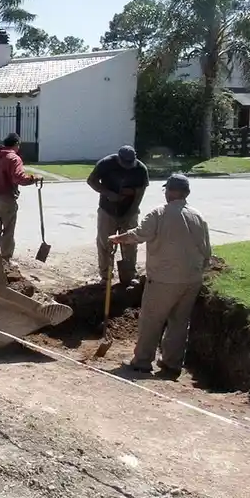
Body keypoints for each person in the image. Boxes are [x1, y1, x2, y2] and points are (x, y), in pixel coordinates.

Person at [109, 173, 212, 381]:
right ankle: (172, 364)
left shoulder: (159, 213)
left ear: (170, 192)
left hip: (165, 279)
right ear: (187, 193)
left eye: (167, 190)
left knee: (151, 320)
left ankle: (142, 361)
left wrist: (116, 238)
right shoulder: (198, 215)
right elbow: (207, 250)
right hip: (192, 279)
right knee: (179, 322)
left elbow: (139, 234)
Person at [87, 144, 150, 286]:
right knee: (105, 243)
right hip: (107, 210)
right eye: (125, 163)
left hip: (130, 211)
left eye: (130, 163)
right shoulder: (106, 164)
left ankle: (129, 274)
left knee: (130, 243)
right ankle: (105, 276)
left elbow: (140, 195)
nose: (128, 166)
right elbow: (91, 181)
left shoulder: (140, 169)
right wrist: (108, 193)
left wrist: (130, 213)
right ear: (119, 158)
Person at [0, 132, 40, 259]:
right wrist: (34, 178)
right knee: (8, 231)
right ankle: (6, 260)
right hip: (5, 199)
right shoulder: (13, 158)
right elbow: (19, 178)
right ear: (16, 144)